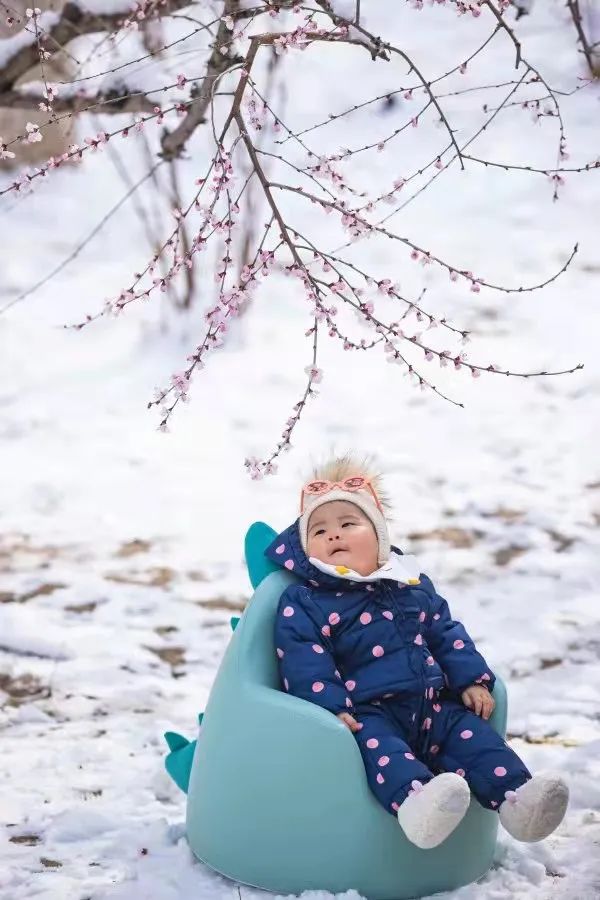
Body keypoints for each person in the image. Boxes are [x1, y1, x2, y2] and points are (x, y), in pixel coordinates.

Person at [266, 454, 569, 850]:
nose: (334, 535)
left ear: (379, 535)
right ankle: (419, 806)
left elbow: (445, 633)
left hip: (434, 704)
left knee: (476, 740)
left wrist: (471, 680)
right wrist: (331, 708)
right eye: (319, 530)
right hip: (368, 713)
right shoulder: (307, 601)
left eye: (348, 524)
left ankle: (519, 801)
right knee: (382, 753)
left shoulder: (409, 583)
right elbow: (305, 659)